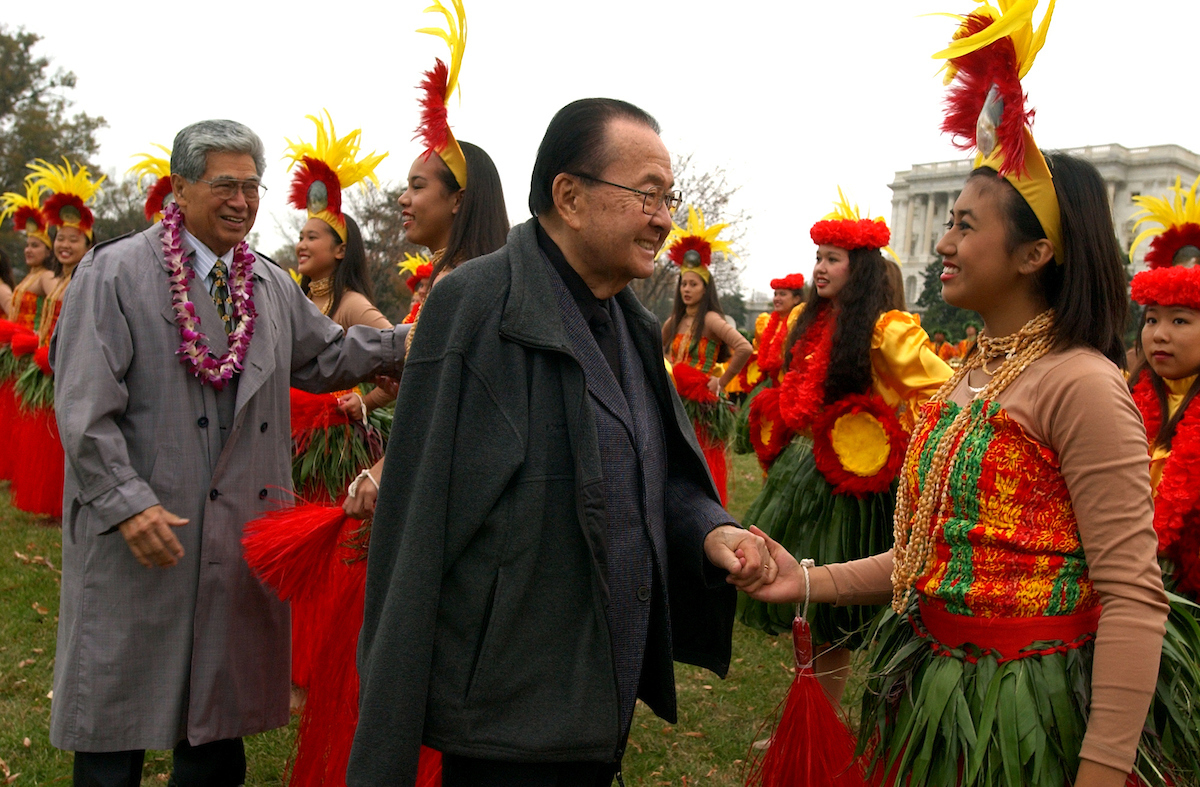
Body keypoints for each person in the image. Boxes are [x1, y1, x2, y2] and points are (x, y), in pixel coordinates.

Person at [745, 5, 1175, 785]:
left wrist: (1103, 771)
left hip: (1026, 718)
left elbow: (1135, 598)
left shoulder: (1082, 383)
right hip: (939, 701)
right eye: (946, 221)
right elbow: (925, 559)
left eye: (966, 225)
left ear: (1035, 252)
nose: (941, 243)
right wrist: (806, 577)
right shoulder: (970, 372)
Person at [348, 97, 773, 786]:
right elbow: (415, 523)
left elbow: (655, 469)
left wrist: (708, 529)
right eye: (647, 194)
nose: (664, 218)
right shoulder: (476, 307)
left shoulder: (630, 323)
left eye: (669, 197)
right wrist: (383, 753)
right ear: (570, 197)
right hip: (504, 720)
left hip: (596, 704)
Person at [49, 118, 407, 787]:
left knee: (215, 727)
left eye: (251, 186)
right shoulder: (115, 274)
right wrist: (128, 505)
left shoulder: (266, 285)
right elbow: (84, 411)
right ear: (179, 187)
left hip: (236, 528)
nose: (241, 200)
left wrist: (406, 342)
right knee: (113, 721)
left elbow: (327, 352)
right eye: (224, 185)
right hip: (146, 530)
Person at [341, 3, 509, 520]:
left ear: (458, 199)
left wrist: (383, 469)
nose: (402, 199)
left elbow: (455, 407)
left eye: (417, 187)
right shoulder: (460, 276)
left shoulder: (462, 283)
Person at [9, 158, 103, 519]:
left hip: (68, 368)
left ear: (88, 242)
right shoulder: (59, 280)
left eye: (73, 239)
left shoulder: (87, 278)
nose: (64, 244)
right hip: (46, 364)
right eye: (60, 238)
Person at [661, 205, 751, 505]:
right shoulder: (673, 322)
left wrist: (721, 382)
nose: (687, 289)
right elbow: (655, 352)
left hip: (700, 409)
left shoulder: (711, 320)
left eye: (693, 284)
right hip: (675, 403)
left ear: (705, 287)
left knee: (699, 467)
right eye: (683, 284)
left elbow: (744, 348)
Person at [0, 180, 55, 330]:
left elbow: (59, 308)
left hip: (34, 348)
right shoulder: (29, 277)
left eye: (35, 246)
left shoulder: (47, 276)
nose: (28, 250)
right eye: (27, 245)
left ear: (48, 251)